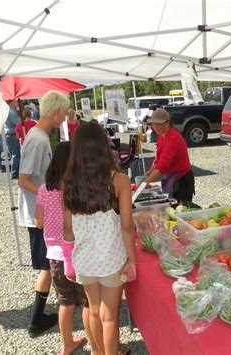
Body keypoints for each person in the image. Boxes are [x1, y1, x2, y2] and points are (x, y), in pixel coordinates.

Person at [62, 121, 137, 355]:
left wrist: (68, 259)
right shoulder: (119, 180)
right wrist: (133, 260)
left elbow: (67, 229)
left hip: (84, 258)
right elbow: (126, 226)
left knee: (94, 310)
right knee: (110, 316)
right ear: (104, 146)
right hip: (112, 258)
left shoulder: (68, 183)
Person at [18, 90, 70, 338]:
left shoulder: (38, 135)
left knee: (47, 265)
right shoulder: (38, 140)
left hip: (41, 213)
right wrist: (50, 194)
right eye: (64, 113)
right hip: (39, 216)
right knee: (46, 267)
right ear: (56, 111)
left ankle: (40, 316)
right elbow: (23, 179)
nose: (64, 119)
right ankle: (36, 320)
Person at [34, 142, 91, 354]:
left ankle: (66, 345)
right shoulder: (78, 189)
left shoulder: (43, 190)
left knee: (66, 302)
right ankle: (96, 344)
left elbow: (38, 222)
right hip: (79, 252)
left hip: (56, 255)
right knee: (87, 302)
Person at [144, 108, 195, 202]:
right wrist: (149, 172)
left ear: (167, 123)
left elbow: (163, 165)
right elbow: (158, 159)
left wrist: (146, 182)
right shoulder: (161, 136)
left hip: (182, 180)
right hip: (172, 178)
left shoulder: (173, 137)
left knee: (181, 209)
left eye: (159, 123)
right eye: (153, 123)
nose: (155, 126)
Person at [5, 100, 22, 179]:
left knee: (13, 154)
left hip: (8, 135)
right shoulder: (11, 112)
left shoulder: (7, 110)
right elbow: (18, 122)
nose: (17, 103)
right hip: (12, 135)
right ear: (12, 102)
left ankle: (14, 172)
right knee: (16, 155)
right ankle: (14, 173)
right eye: (16, 102)